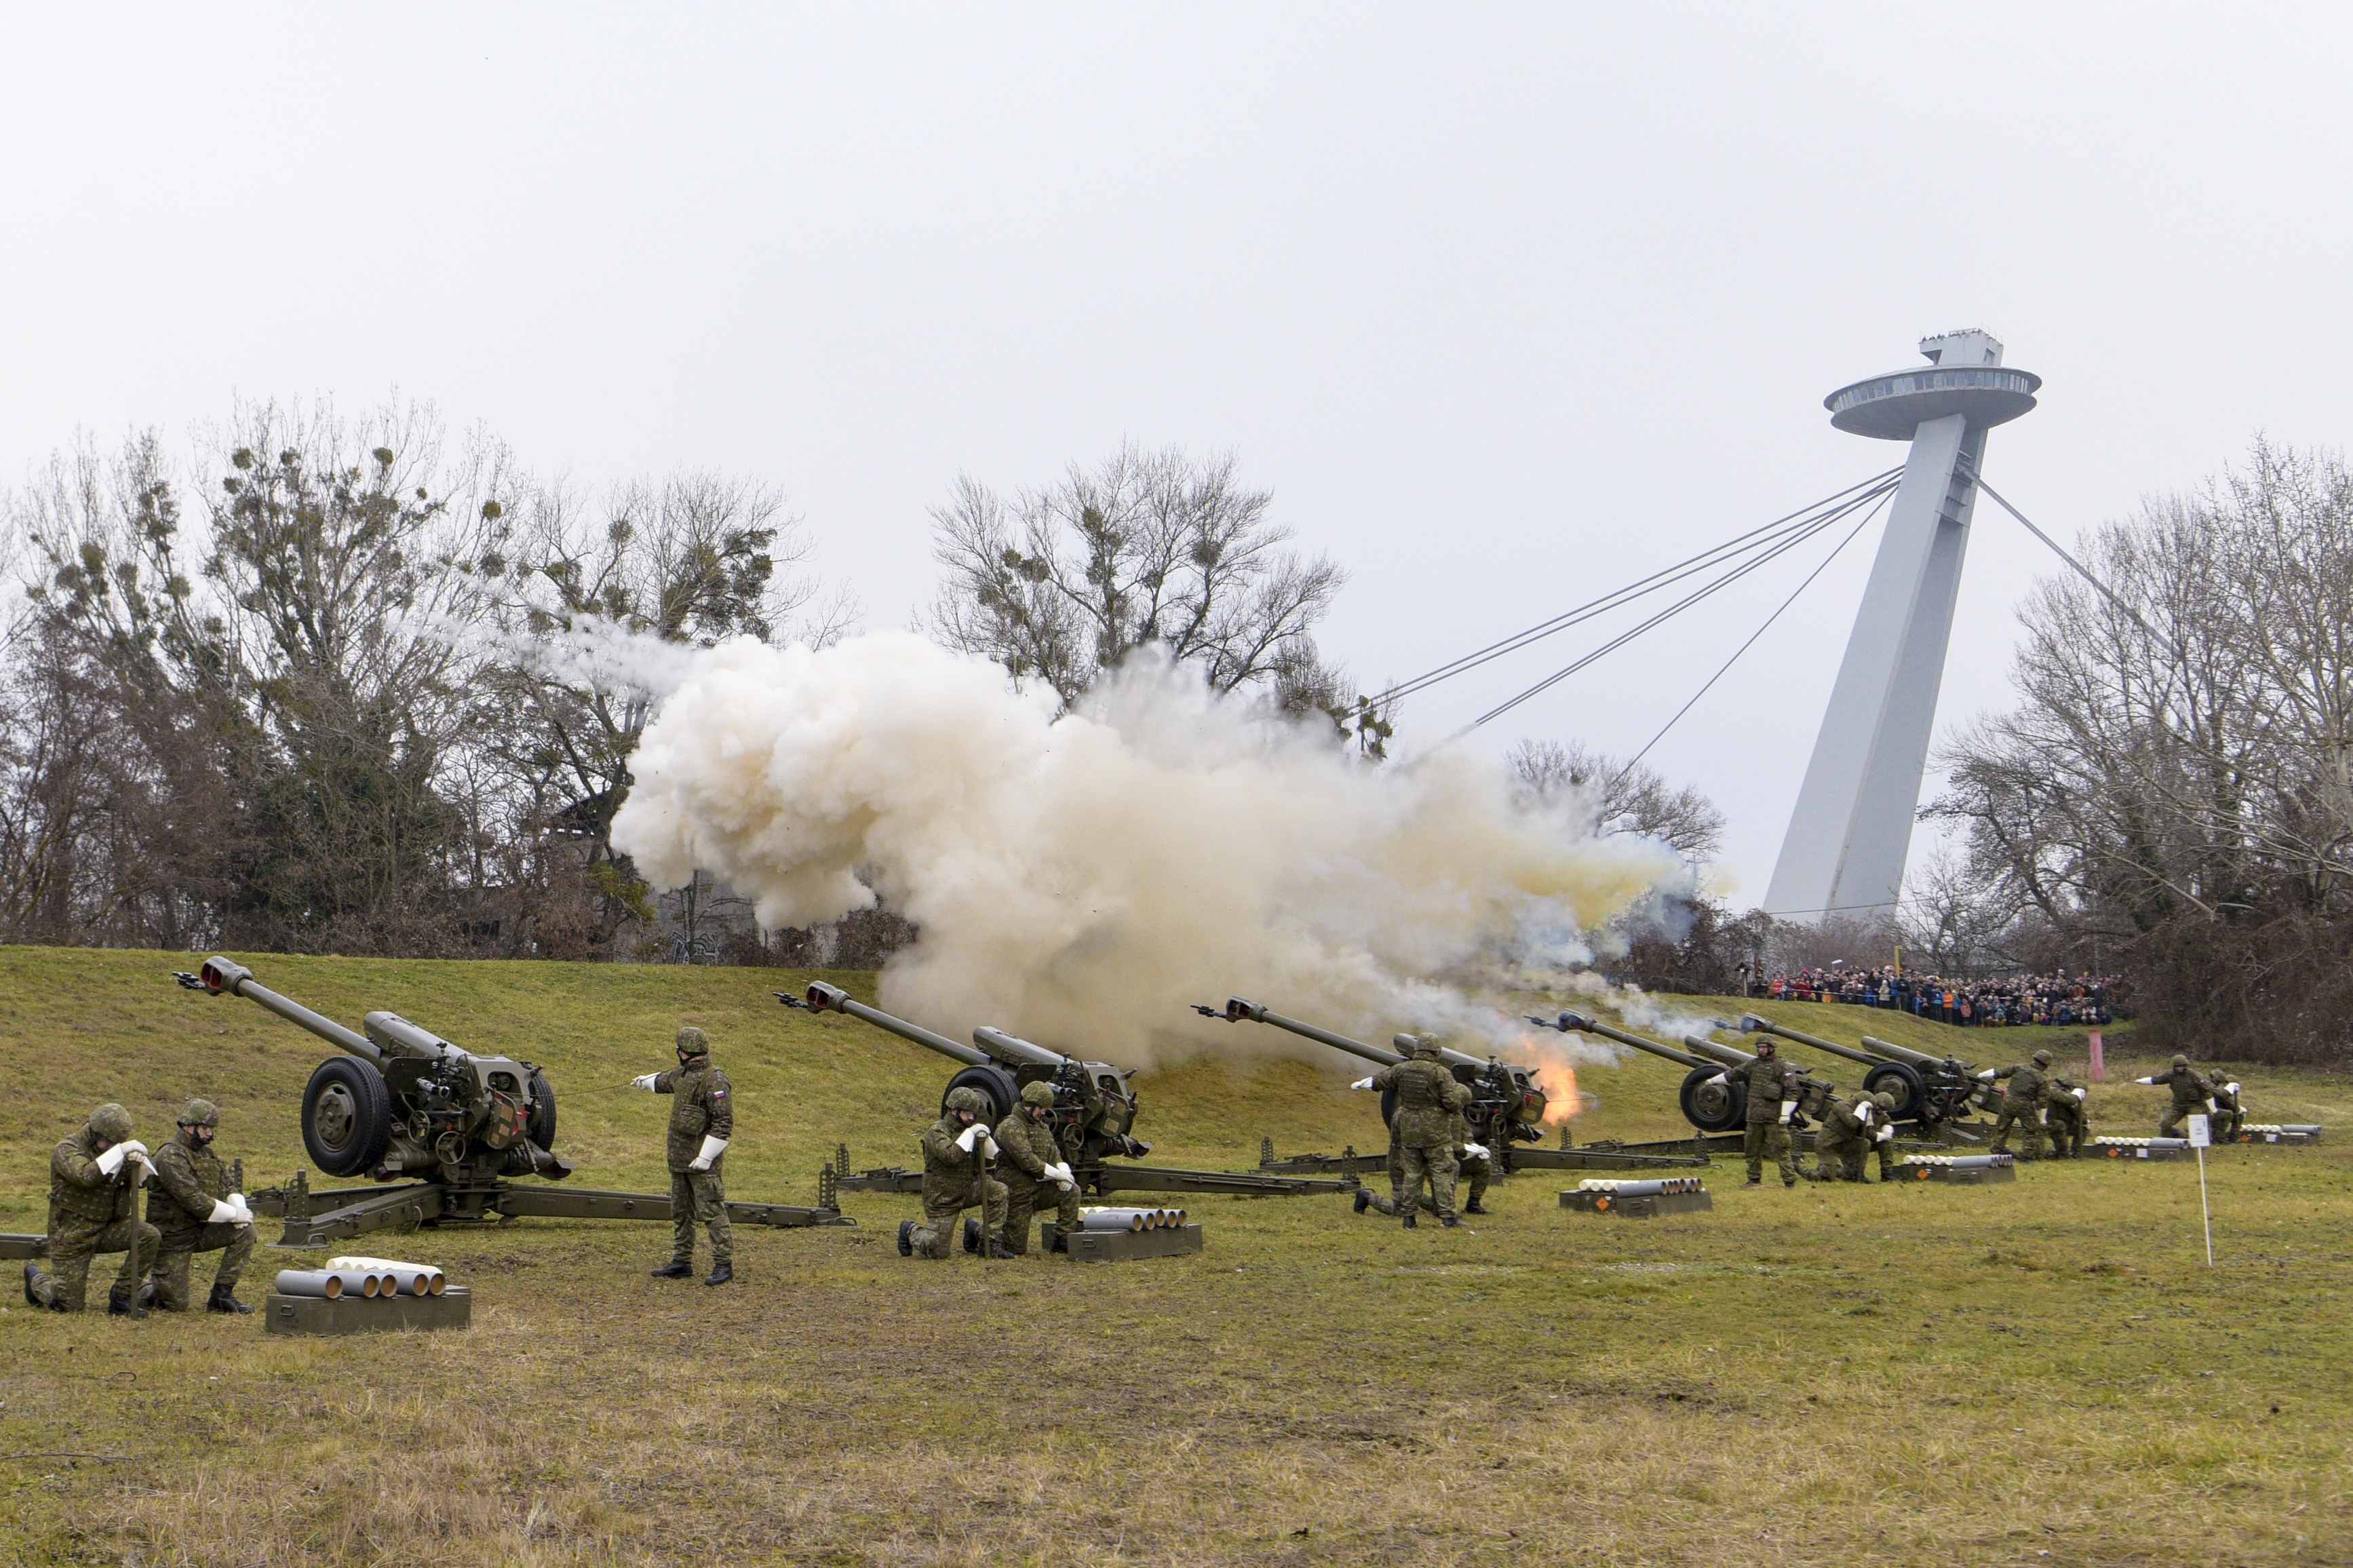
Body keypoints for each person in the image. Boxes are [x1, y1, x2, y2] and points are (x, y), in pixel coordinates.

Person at [24, 1103, 160, 1317]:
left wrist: (139, 1161)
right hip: (72, 1234)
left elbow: (145, 1183)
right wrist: (120, 1152)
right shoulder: (67, 1149)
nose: (111, 1147)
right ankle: (37, 1282)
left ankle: (123, 1297)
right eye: (107, 1142)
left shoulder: (115, 1150)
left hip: (107, 1228)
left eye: (117, 1143)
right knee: (69, 1306)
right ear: (93, 1133)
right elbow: (84, 1176)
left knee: (148, 1235)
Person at [634, 1025, 734, 1286]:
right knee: (681, 1212)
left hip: (702, 1163)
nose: (677, 1052)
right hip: (679, 1160)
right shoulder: (684, 1074)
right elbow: (663, 1081)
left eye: (679, 1048)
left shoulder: (715, 1080)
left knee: (712, 1212)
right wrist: (645, 1081)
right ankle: (682, 1261)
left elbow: (723, 1124)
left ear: (686, 1052)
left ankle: (723, 1264)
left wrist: (705, 1157)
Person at [143, 1099, 257, 1313]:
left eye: (211, 1129)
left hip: (198, 1231)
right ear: (188, 1126)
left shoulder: (207, 1155)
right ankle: (144, 1289)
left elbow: (227, 1185)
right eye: (205, 1128)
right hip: (172, 1238)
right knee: (175, 1305)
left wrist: (241, 1214)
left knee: (246, 1232)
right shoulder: (170, 1156)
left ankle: (221, 1296)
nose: (209, 1134)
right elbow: (194, 1200)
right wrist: (235, 1214)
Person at [1371, 1036, 1471, 1229]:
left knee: (1412, 1175)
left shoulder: (1402, 1069)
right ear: (1436, 1051)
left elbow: (1379, 1082)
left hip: (1409, 1131)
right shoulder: (1441, 1072)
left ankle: (1409, 1219)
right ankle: (1448, 1218)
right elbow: (1452, 1104)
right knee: (1442, 1172)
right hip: (1436, 1134)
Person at [902, 1086, 1011, 1259]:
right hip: (943, 1198)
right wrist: (971, 1133)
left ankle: (989, 1241)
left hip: (968, 1190)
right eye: (968, 1113)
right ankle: (910, 1230)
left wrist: (986, 1140)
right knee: (937, 1250)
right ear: (954, 1110)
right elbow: (952, 1156)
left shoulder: (971, 1131)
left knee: (999, 1190)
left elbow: (989, 1161)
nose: (971, 1117)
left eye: (974, 1114)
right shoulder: (937, 1131)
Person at [994, 1081, 1079, 1255]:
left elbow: (1054, 1154)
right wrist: (1057, 1175)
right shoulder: (1010, 1126)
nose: (1043, 1112)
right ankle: (977, 1230)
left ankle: (1063, 1239)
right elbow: (1027, 1160)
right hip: (1018, 1194)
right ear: (1030, 1105)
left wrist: (1065, 1173)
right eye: (1041, 1108)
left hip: (1039, 1188)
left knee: (1072, 1191)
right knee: (1015, 1248)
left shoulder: (1042, 1127)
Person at [1722, 1037, 1801, 1188]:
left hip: (1774, 1119)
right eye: (1759, 1047)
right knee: (1751, 1149)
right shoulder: (1753, 1065)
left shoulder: (1782, 1067)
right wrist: (1712, 1081)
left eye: (1764, 1047)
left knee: (1781, 1150)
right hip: (1754, 1118)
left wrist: (1785, 1113)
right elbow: (1734, 1074)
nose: (1762, 1050)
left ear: (1772, 1048)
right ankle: (1754, 1179)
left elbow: (1792, 1091)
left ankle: (1789, 1181)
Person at [1981, 1048, 2055, 1160]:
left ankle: (1997, 1150)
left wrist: (1980, 1076)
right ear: (2046, 1065)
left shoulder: (2019, 1067)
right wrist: (2042, 1119)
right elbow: (2042, 1102)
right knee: (2031, 1131)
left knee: (2002, 1127)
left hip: (2008, 1102)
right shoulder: (2042, 1079)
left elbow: (1998, 1073)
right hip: (2024, 1106)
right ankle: (2026, 1155)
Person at [2135, 1055, 2211, 1138]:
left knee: (2197, 1125)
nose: (2179, 1068)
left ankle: (2197, 1143)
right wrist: (2139, 1081)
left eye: (2182, 1066)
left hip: (2195, 1105)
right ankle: (2165, 1141)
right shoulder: (2170, 1075)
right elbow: (2156, 1080)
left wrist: (2212, 1108)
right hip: (2178, 1106)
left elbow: (2207, 1090)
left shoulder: (2195, 1076)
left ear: (2186, 1065)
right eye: (2177, 1066)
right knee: (2165, 1124)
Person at [2043, 1075, 2090, 1159]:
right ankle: (2071, 1153)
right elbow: (2082, 1119)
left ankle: (2068, 1153)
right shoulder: (2068, 1099)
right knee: (2082, 1127)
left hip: (2053, 1123)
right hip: (2055, 1125)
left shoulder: (2061, 1095)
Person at [2204, 1071, 2244, 1141]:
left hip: (2213, 1112)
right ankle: (2231, 1138)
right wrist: (2241, 1110)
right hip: (2214, 1114)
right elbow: (2233, 1106)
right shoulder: (2225, 1092)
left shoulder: (2218, 1089)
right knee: (2237, 1116)